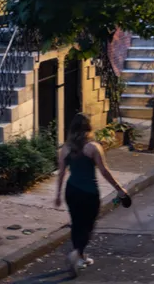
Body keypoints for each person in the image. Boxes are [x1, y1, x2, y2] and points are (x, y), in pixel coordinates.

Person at [55, 113, 128, 276]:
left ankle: (79, 255)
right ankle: (77, 253)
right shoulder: (93, 147)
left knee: (76, 223)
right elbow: (104, 171)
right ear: (89, 128)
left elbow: (61, 173)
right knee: (88, 225)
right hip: (89, 192)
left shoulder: (65, 148)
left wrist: (58, 195)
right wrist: (119, 189)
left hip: (71, 190)